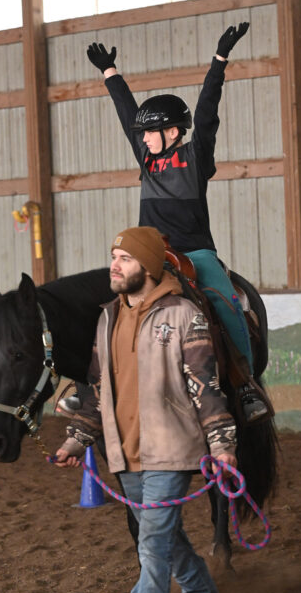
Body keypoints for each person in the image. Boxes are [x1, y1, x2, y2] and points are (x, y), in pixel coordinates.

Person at [55, 225, 237, 593]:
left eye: (125, 259)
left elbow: (206, 387)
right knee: (169, 541)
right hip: (125, 452)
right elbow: (98, 391)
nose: (114, 266)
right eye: (113, 257)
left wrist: (222, 444)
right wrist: (77, 439)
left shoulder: (184, 316)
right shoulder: (107, 318)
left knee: (152, 545)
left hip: (169, 449)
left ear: (149, 267)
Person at [86, 23, 269, 423]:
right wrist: (109, 72)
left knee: (224, 302)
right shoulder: (146, 158)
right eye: (142, 135)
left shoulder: (195, 156)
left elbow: (206, 112)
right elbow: (126, 112)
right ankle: (91, 390)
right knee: (106, 306)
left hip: (195, 253)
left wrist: (219, 60)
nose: (143, 139)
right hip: (150, 254)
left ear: (172, 132)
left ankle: (245, 385)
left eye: (150, 133)